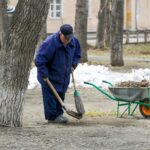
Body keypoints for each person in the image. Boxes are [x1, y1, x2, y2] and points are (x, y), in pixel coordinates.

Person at [35, 24, 81, 123]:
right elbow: (39, 60)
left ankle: (59, 114)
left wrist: (73, 65)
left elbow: (77, 54)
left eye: (69, 38)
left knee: (61, 93)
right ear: (61, 34)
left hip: (63, 75)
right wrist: (44, 73)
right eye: (65, 38)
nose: (67, 40)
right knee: (50, 96)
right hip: (49, 75)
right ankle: (52, 117)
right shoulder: (50, 43)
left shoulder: (73, 41)